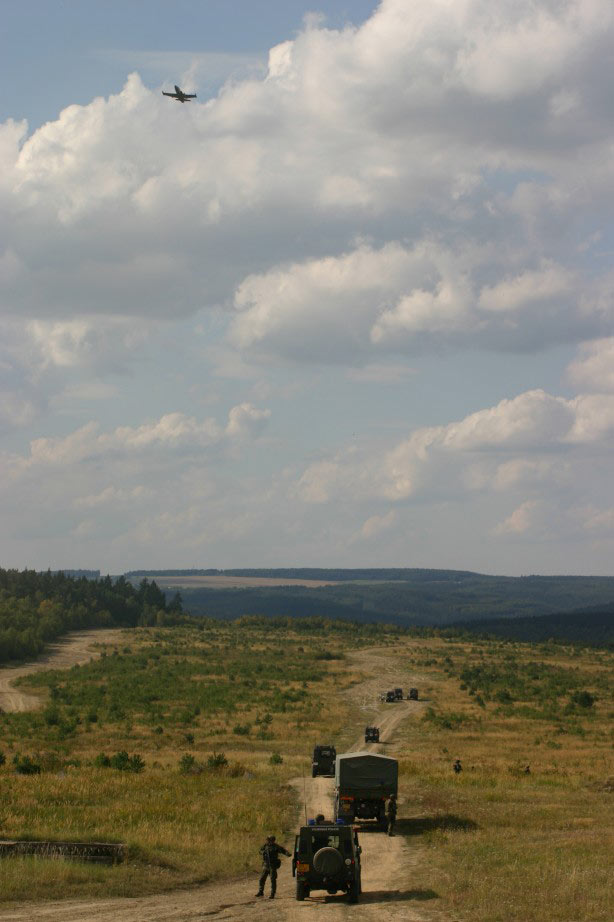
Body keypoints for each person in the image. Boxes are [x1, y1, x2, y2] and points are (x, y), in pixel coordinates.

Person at [256, 835, 290, 900]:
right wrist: (263, 852)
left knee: (273, 880)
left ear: (273, 840)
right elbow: (260, 851)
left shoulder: (276, 846)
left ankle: (272, 894)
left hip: (272, 866)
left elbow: (283, 850)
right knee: (262, 879)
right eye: (268, 840)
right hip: (266, 865)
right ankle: (261, 891)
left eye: (270, 840)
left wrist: (287, 854)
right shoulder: (265, 846)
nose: (268, 841)